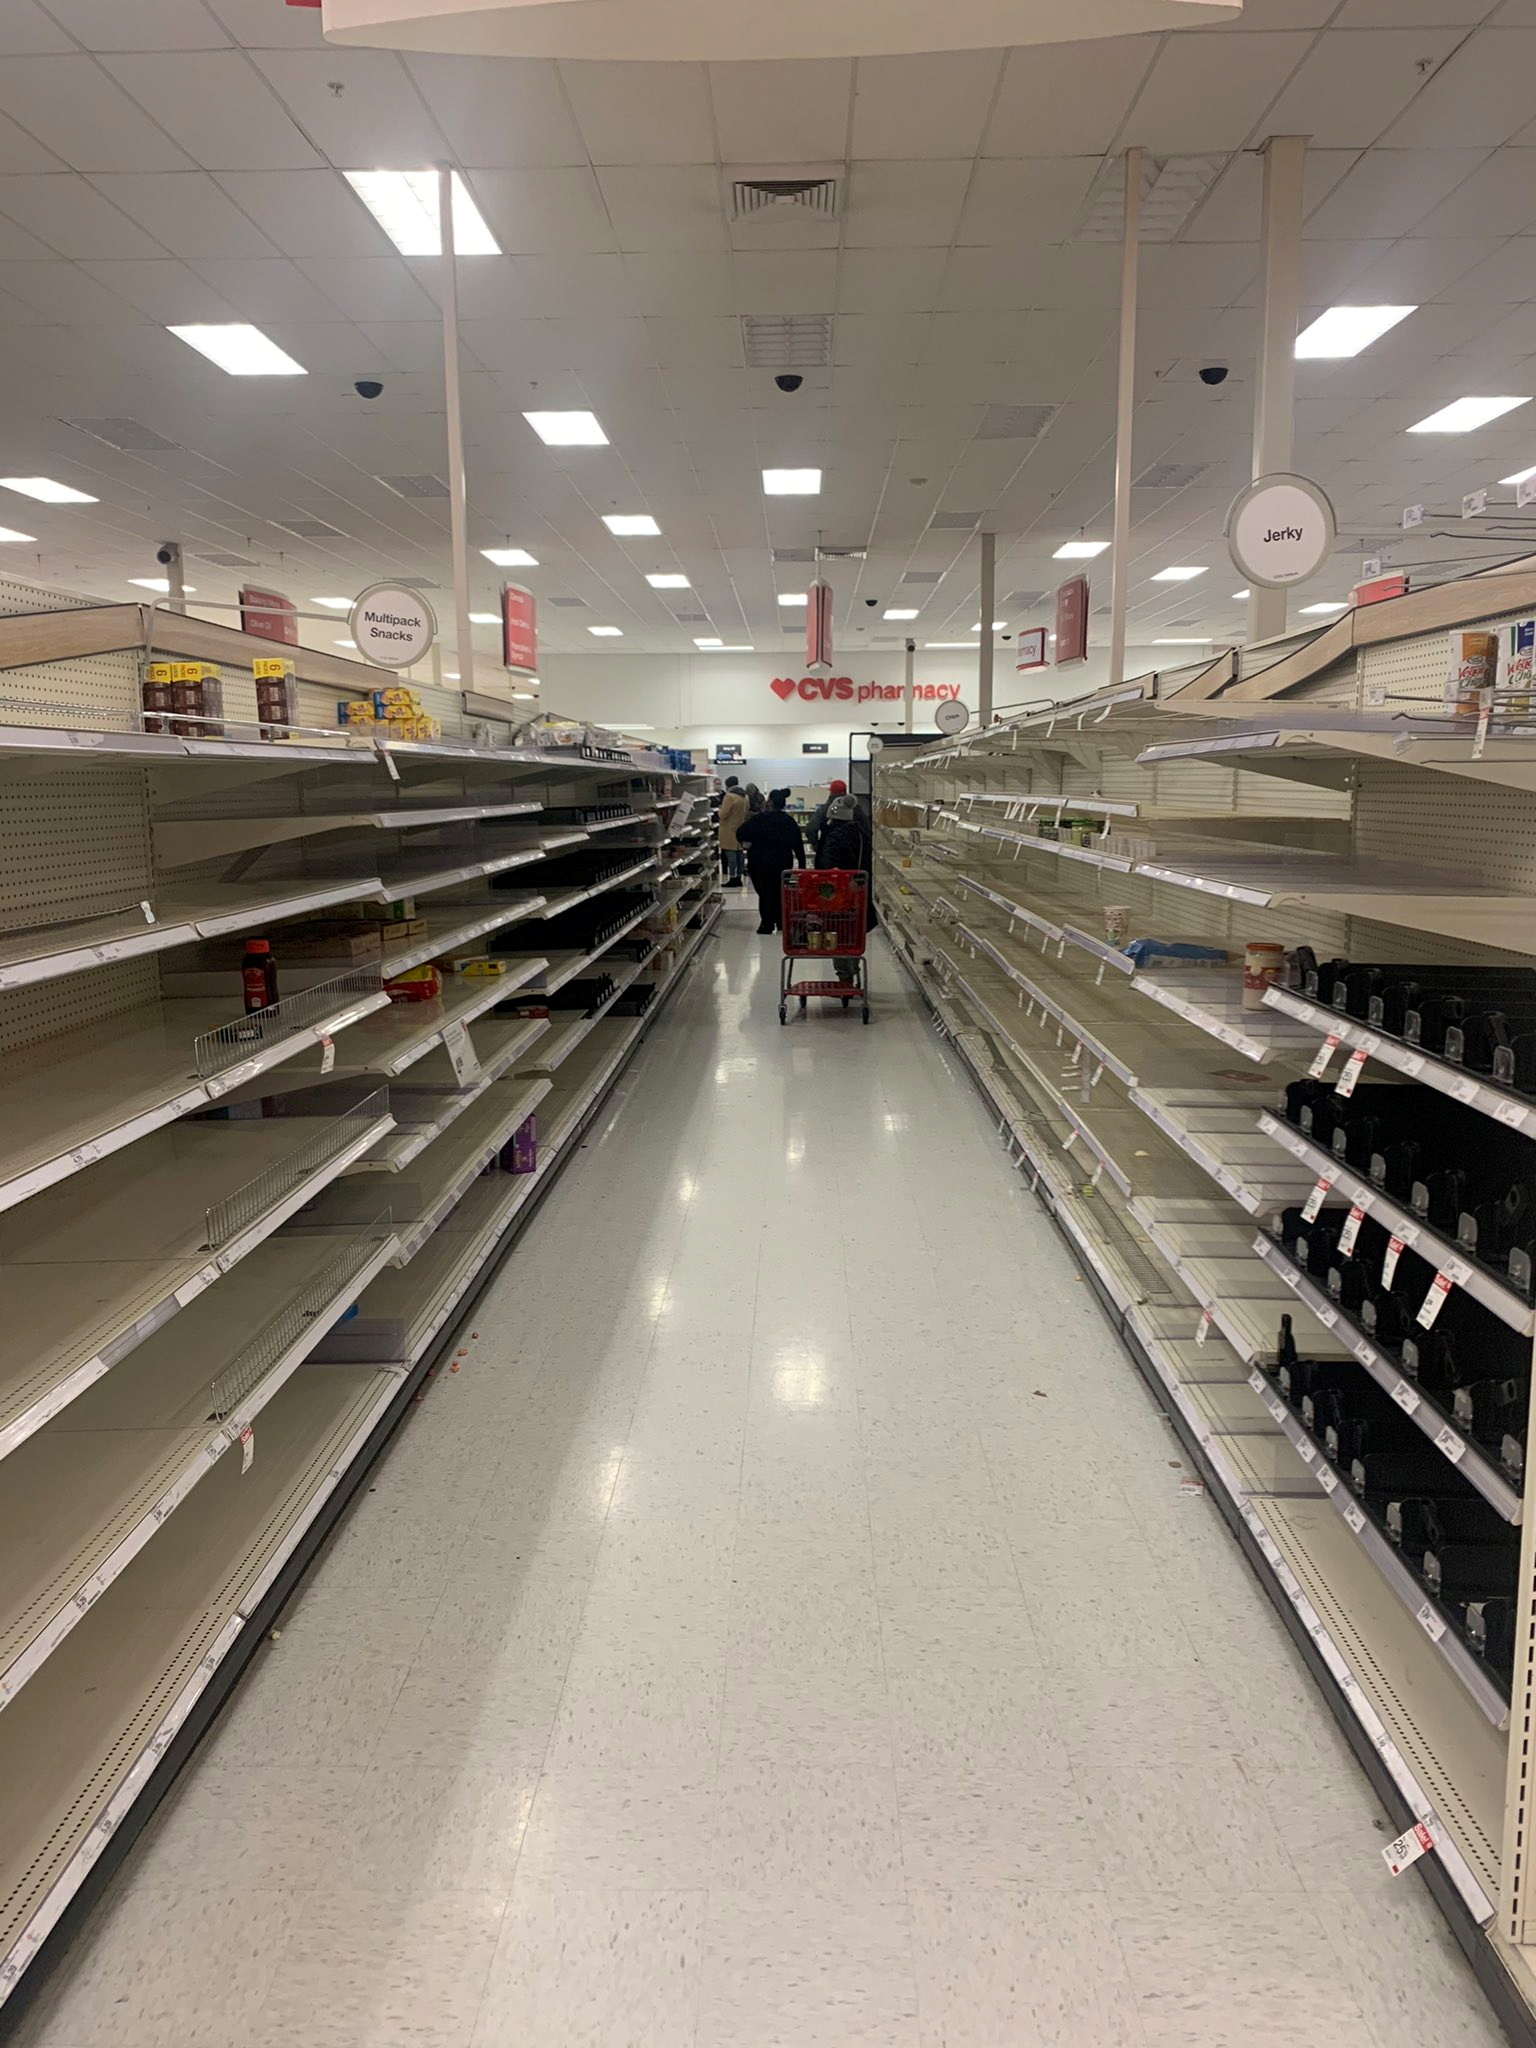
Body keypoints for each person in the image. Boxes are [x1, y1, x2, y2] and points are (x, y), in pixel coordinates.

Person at [815, 792, 878, 983]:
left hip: (838, 894)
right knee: (854, 932)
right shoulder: (863, 834)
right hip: (860, 891)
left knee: (838, 932)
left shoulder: (834, 836)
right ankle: (853, 968)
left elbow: (827, 865)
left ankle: (845, 976)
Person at [737, 787, 805, 934]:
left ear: (771, 802)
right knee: (780, 892)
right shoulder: (788, 821)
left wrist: (747, 844)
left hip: (760, 862)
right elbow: (798, 844)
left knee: (765, 893)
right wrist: (802, 865)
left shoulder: (759, 819)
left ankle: (767, 924)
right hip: (782, 862)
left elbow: (741, 832)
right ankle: (781, 922)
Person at [717, 775, 748, 887]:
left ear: (727, 785)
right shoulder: (744, 796)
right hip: (740, 828)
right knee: (739, 854)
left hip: (728, 830)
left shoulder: (729, 797)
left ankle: (732, 878)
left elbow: (723, 814)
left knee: (730, 855)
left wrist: (719, 809)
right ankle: (739, 877)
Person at [807, 777, 848, 862]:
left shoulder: (823, 809)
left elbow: (811, 828)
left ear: (831, 792)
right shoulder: (854, 809)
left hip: (826, 849)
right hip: (849, 850)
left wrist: (815, 845)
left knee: (826, 874)